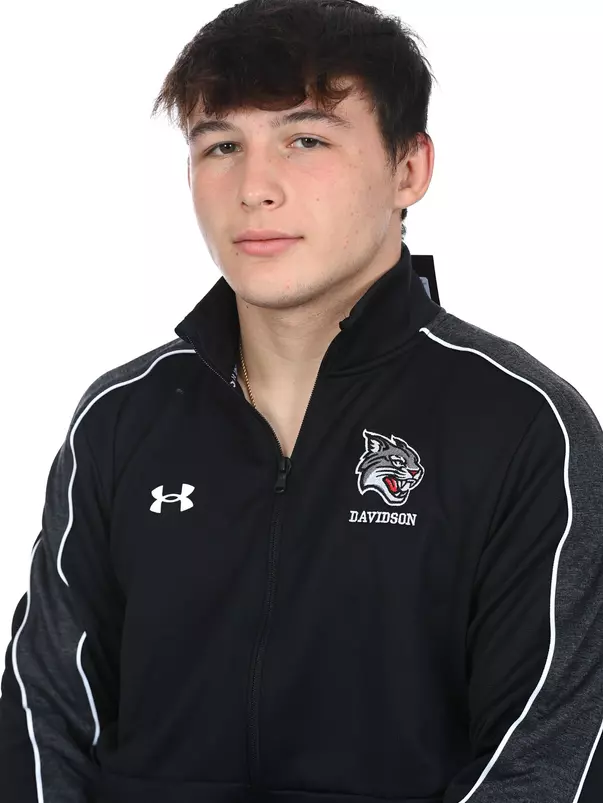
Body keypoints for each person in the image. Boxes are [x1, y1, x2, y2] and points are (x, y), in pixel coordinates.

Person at [1, 0, 603, 801]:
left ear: (408, 168)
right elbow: (44, 713)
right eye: (221, 146)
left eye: (305, 140)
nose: (254, 188)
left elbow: (549, 753)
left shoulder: (523, 426)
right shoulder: (120, 418)